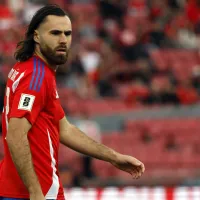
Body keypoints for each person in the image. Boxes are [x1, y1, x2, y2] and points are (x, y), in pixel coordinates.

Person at [0, 4, 145, 200]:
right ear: (36, 36)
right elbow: (16, 135)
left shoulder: (33, 70)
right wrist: (35, 191)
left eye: (67, 34)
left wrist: (114, 157)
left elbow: (64, 129)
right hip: (30, 194)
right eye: (55, 33)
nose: (63, 40)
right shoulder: (36, 75)